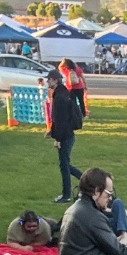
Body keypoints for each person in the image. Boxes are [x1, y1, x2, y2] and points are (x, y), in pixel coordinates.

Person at [49, 68, 84, 203]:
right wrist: (52, 131)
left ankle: (66, 194)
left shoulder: (60, 97)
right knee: (65, 164)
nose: (48, 82)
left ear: (55, 80)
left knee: (64, 165)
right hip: (67, 134)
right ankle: (84, 178)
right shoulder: (63, 93)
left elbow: (61, 120)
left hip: (65, 136)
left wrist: (58, 138)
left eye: (50, 79)